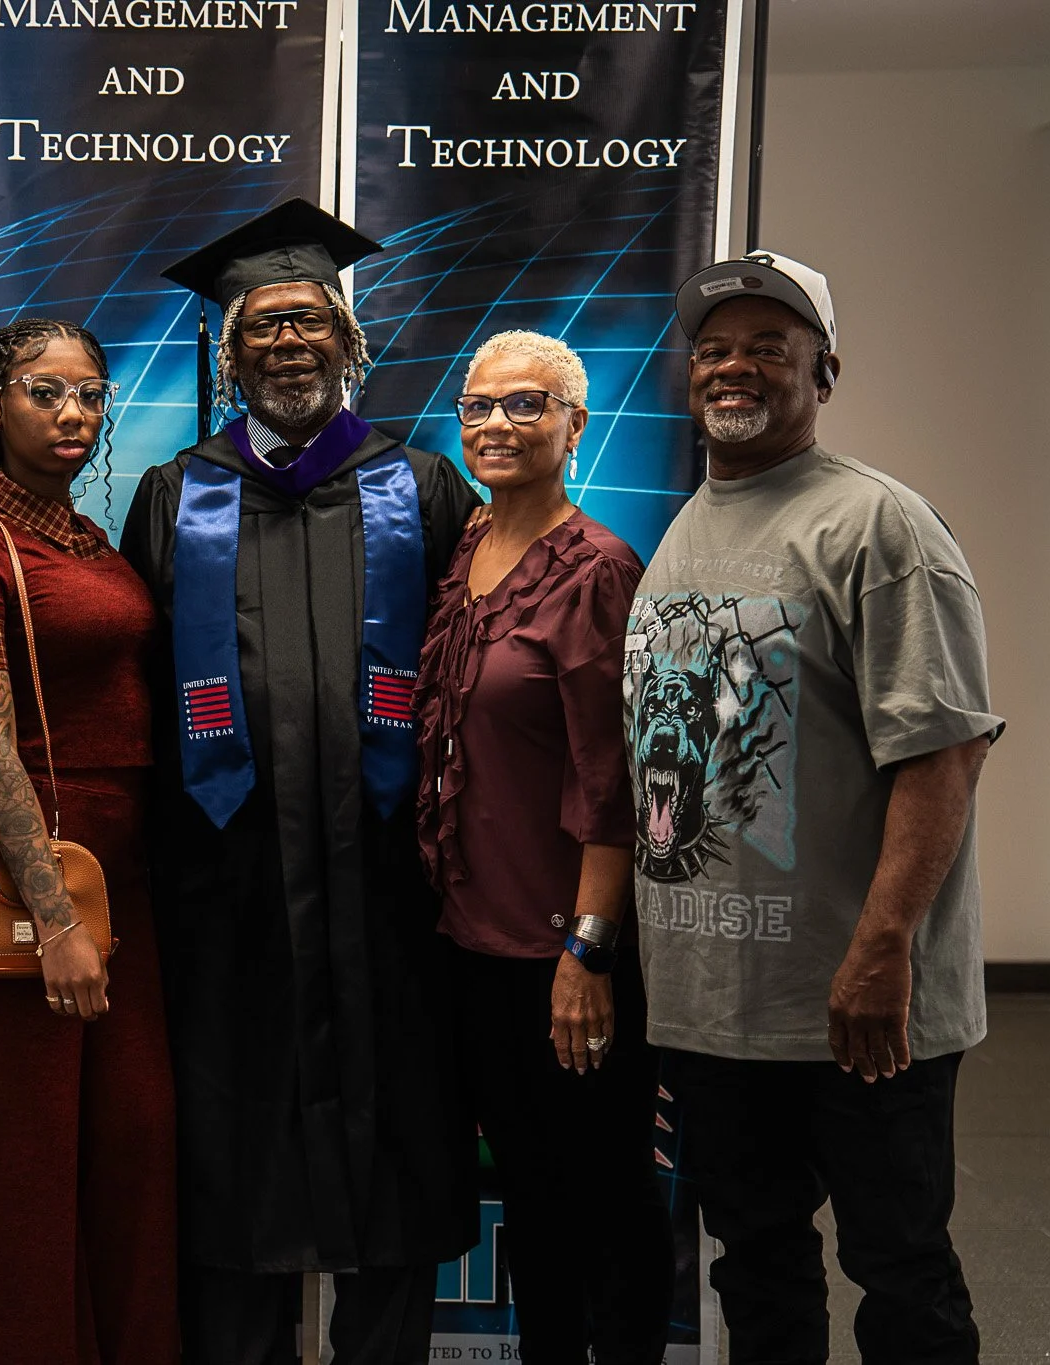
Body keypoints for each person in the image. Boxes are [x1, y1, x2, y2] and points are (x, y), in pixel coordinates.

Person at [120, 200, 483, 1365]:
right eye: (261, 328)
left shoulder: (421, 489)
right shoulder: (175, 496)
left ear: (347, 342)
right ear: (227, 358)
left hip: (387, 901)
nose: (286, 344)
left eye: (308, 321)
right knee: (235, 1168)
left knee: (393, 1159)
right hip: (226, 900)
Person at [628, 251, 1000, 1362]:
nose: (732, 367)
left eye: (767, 347)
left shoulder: (880, 527)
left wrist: (881, 950)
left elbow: (944, 755)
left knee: (899, 1269)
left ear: (823, 372)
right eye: (713, 348)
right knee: (756, 1263)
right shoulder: (688, 525)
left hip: (857, 1002)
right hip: (718, 1005)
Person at [0, 318, 180, 1364]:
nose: (73, 412)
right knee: (16, 1176)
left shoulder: (90, 539)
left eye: (90, 394)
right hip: (32, 892)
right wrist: (56, 919)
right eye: (43, 390)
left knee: (129, 1148)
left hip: (125, 889)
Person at [413, 331, 670, 1364]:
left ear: (575, 426)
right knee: (527, 1193)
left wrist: (588, 952)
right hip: (470, 944)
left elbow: (614, 779)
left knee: (607, 1198)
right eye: (478, 406)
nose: (497, 424)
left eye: (527, 405)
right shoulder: (463, 549)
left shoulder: (598, 569)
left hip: (564, 953)